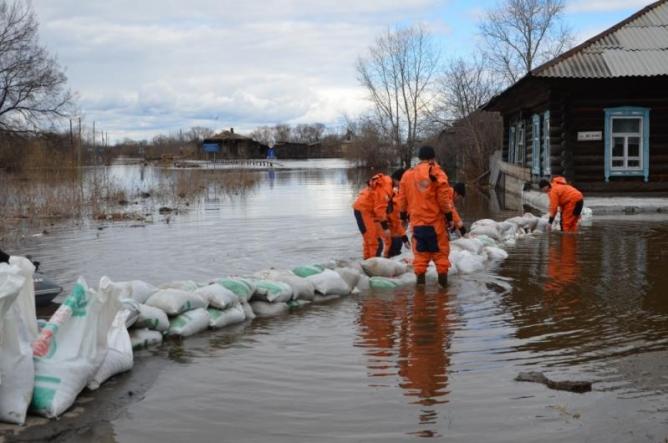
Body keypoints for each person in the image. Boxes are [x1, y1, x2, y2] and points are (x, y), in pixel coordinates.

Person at [397, 145, 455, 287]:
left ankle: (420, 293)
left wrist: (403, 216)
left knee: (420, 259)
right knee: (441, 258)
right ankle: (443, 293)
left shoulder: (407, 175)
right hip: (435, 225)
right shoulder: (437, 173)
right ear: (433, 158)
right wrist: (449, 217)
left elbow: (402, 200)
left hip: (417, 224)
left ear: (419, 158)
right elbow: (444, 199)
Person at [353, 172, 394, 259]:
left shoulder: (385, 182)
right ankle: (372, 264)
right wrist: (385, 228)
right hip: (364, 210)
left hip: (368, 210)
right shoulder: (385, 188)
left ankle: (368, 261)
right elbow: (380, 210)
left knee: (372, 239)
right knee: (373, 241)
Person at [382, 169, 410, 258]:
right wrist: (405, 239)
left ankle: (392, 255)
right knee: (392, 244)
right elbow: (396, 221)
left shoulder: (395, 193)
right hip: (386, 221)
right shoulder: (391, 195)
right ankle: (388, 257)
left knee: (396, 241)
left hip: (391, 223)